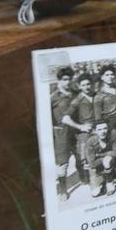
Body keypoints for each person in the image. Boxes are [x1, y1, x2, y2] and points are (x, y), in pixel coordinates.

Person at [67, 74, 96, 189]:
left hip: (97, 129)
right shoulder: (77, 100)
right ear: (79, 86)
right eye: (84, 85)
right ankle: (88, 180)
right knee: (84, 156)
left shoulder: (95, 95)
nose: (87, 87)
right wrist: (81, 127)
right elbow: (65, 118)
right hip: (85, 132)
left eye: (88, 84)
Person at [50, 67, 76, 197]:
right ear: (59, 80)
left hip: (75, 131)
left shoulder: (74, 93)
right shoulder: (53, 97)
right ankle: (63, 189)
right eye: (65, 79)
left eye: (69, 79)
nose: (67, 82)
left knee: (80, 156)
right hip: (61, 133)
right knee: (62, 162)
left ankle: (85, 178)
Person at [84, 121, 116, 198]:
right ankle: (105, 177)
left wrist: (99, 155)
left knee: (107, 160)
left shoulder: (113, 134)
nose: (103, 132)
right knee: (95, 193)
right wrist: (103, 159)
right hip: (96, 167)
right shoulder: (90, 142)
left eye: (105, 128)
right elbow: (92, 164)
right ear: (95, 131)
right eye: (99, 130)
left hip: (108, 161)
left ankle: (109, 181)